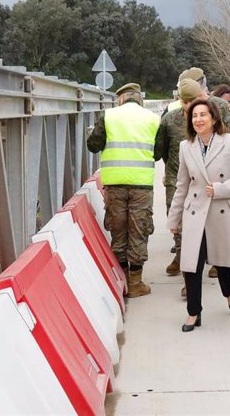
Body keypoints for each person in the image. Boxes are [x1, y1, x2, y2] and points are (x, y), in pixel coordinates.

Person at [166, 98, 230, 332]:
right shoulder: (186, 146)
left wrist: (220, 189)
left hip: (222, 209)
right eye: (194, 116)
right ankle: (194, 312)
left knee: (223, 264)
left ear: (213, 119)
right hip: (195, 211)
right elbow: (182, 185)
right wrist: (174, 219)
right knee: (191, 264)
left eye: (203, 115)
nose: (198, 119)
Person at [157, 75, 230, 288]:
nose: (190, 107)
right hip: (182, 180)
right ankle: (188, 274)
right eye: (185, 102)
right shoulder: (170, 118)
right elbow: (161, 150)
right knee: (185, 232)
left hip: (214, 184)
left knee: (213, 231)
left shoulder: (220, 108)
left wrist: (227, 184)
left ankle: (216, 264)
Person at [87, 83, 162, 298]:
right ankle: (136, 283)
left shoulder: (108, 116)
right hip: (142, 185)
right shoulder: (153, 119)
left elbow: (93, 145)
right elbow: (157, 153)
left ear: (121, 99)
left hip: (114, 183)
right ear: (140, 100)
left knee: (118, 231)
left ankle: (121, 281)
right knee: (139, 231)